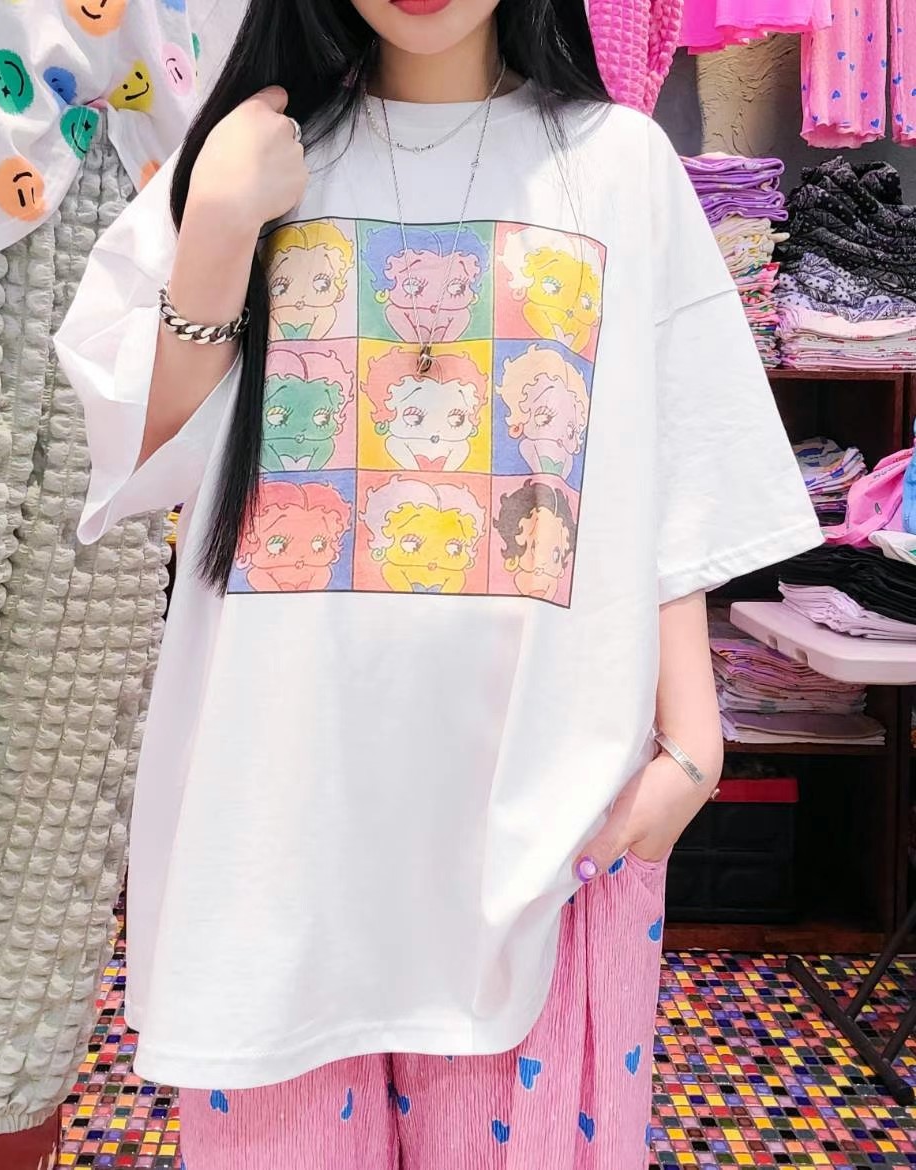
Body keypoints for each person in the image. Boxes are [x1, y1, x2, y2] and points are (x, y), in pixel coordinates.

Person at [53, 1, 823, 1166]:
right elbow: (145, 455)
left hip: (548, 819)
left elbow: (668, 458)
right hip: (282, 825)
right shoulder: (252, 155)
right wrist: (214, 230)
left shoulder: (617, 163)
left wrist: (694, 743)